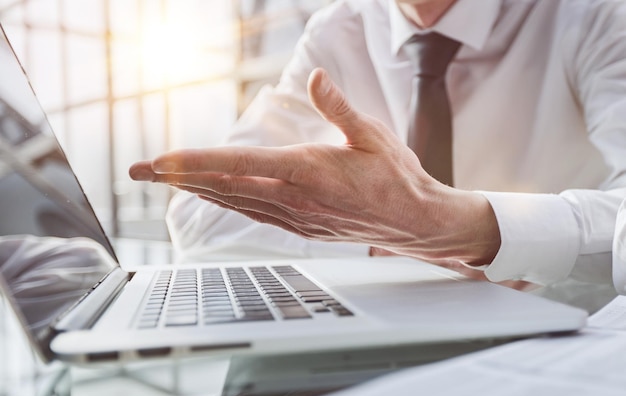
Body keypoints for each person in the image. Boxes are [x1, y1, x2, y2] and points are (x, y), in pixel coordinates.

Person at [130, 0, 626, 313]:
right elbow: (198, 217)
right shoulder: (338, 33)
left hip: (559, 328)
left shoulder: (594, 16)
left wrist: (484, 229)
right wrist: (384, 238)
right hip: (384, 325)